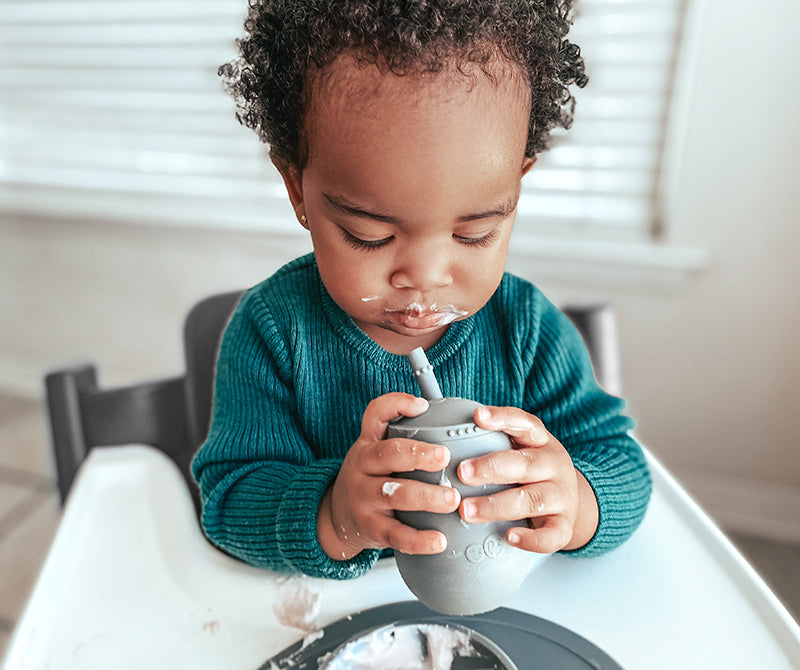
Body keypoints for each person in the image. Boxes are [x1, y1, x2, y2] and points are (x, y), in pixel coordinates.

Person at [191, 0, 652, 579]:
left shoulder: (528, 331)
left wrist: (574, 500)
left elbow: (623, 466)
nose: (427, 277)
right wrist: (336, 514)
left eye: (474, 233)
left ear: (517, 185)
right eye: (371, 236)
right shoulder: (273, 332)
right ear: (298, 189)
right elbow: (229, 501)